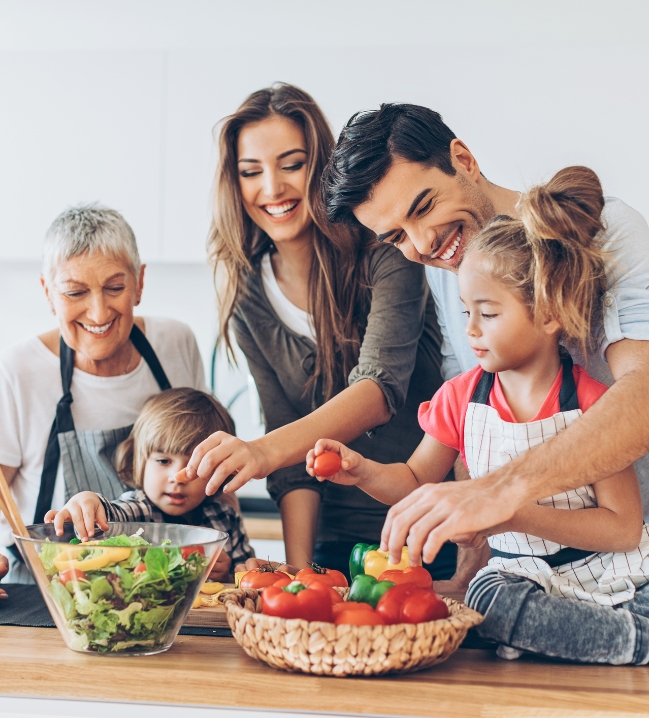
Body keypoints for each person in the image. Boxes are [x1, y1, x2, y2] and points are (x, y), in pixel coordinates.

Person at [310, 167, 649, 664]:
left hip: (611, 571)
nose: (470, 331)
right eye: (465, 311)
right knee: (486, 600)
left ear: (551, 312)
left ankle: (618, 638)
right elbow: (415, 482)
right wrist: (363, 472)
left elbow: (622, 529)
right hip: (521, 577)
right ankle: (623, 642)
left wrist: (509, 509)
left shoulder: (596, 406)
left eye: (488, 314)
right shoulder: (459, 399)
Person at [322, 104, 649, 569]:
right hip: (524, 565)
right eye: (396, 237)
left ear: (464, 159)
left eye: (424, 206)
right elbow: (469, 433)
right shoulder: (448, 266)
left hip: (631, 557)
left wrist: (502, 493)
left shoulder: (609, 232)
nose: (423, 245)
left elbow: (645, 394)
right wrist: (470, 561)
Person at [179, 84, 460, 584]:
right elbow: (289, 459)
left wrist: (260, 451)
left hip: (425, 527)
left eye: (291, 164)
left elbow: (378, 391)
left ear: (322, 167)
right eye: (251, 172)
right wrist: (297, 573)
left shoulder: (387, 251)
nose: (272, 188)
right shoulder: (247, 295)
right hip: (330, 541)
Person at [0, 204, 207, 583]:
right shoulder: (18, 370)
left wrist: (225, 549)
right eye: (75, 292)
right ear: (48, 293)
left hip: (159, 586)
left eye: (114, 288)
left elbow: (210, 466)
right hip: (49, 592)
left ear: (139, 283)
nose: (98, 313)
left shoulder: (175, 344)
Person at [45, 388, 254, 581]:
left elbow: (247, 577)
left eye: (195, 466)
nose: (178, 477)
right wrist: (88, 501)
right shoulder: (138, 509)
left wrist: (227, 574)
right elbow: (111, 515)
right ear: (139, 462)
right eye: (163, 461)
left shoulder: (226, 517)